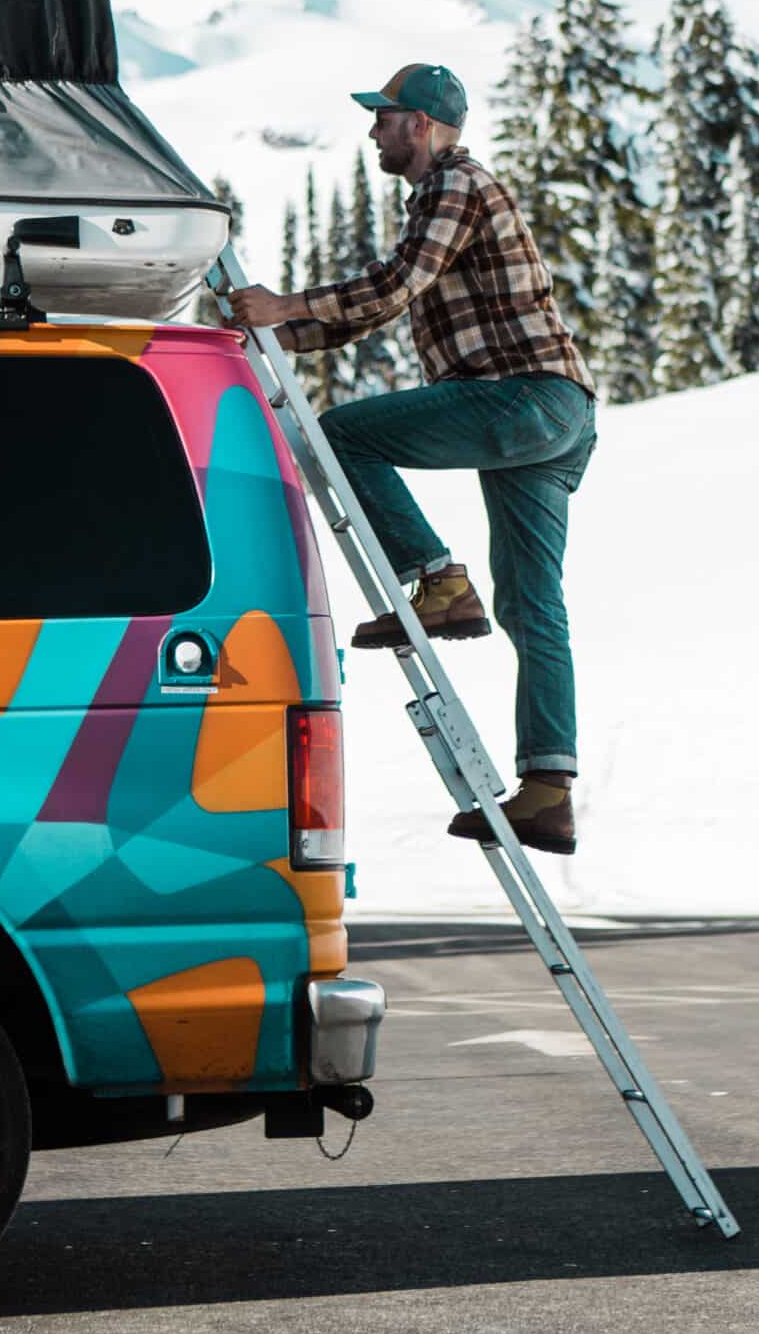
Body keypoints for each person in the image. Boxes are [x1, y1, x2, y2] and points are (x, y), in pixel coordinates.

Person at [227, 62, 596, 856]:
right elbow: (376, 311)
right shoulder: (451, 192)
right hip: (558, 413)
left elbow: (396, 285)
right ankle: (546, 791)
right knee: (534, 606)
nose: (372, 132)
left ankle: (438, 579)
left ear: (420, 125)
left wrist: (286, 305)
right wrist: (275, 334)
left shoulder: (452, 184)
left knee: (346, 434)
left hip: (522, 397)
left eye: (383, 117)